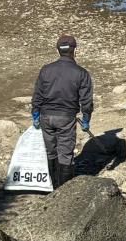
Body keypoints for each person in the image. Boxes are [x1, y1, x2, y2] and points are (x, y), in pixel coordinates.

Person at [31, 35, 94, 188]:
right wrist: (86, 119)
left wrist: (35, 114)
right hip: (66, 118)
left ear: (58, 50)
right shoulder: (81, 73)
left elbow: (37, 95)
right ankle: (64, 192)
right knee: (65, 156)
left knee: (51, 152)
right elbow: (86, 101)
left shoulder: (46, 70)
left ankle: (53, 188)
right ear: (74, 50)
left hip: (46, 117)